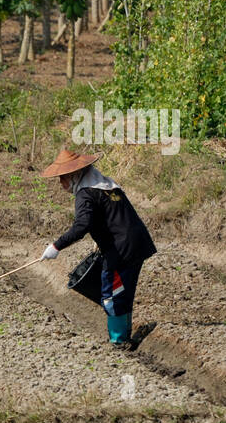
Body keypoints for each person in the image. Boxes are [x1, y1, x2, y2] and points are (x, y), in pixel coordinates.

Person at [39, 149, 156, 349]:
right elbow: (112, 216)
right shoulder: (107, 186)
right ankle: (125, 336)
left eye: (62, 178)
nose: (61, 184)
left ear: (72, 175)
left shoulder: (86, 193)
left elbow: (82, 225)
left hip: (121, 250)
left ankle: (119, 341)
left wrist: (56, 246)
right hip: (138, 243)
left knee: (111, 293)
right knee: (123, 291)